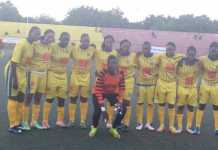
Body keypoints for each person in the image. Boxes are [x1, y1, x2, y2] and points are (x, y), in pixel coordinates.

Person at [7, 26, 41, 133]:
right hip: (13, 71)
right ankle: (12, 126)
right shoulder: (21, 44)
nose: (38, 36)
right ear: (30, 33)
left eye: (39, 34)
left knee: (21, 97)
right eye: (36, 33)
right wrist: (15, 80)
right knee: (13, 97)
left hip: (22, 72)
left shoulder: (33, 44)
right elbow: (13, 62)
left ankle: (18, 123)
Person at [21, 29, 55, 130]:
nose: (50, 38)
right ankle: (24, 122)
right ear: (43, 36)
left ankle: (34, 121)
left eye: (52, 37)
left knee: (38, 98)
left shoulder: (50, 47)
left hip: (44, 75)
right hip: (33, 73)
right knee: (29, 97)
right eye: (48, 36)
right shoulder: (35, 44)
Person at [89, 55, 126, 139]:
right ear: (108, 64)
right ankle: (94, 127)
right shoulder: (103, 72)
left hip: (111, 93)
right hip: (99, 93)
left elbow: (122, 88)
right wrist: (103, 108)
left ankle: (113, 128)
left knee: (122, 109)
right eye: (112, 63)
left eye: (115, 63)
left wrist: (120, 101)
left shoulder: (120, 73)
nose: (114, 65)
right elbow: (98, 89)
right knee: (98, 111)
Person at [42, 32, 72, 128]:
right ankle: (45, 121)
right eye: (64, 39)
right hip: (52, 74)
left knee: (62, 99)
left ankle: (59, 121)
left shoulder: (69, 48)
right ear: (59, 38)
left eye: (67, 39)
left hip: (63, 76)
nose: (66, 41)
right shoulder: (53, 47)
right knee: (49, 98)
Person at [68, 33, 95, 128]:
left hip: (86, 77)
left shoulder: (92, 50)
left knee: (84, 99)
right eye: (84, 40)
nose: (86, 42)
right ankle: (71, 120)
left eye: (87, 41)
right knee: (73, 98)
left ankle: (83, 121)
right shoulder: (74, 50)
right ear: (80, 41)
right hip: (75, 77)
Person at [156, 42, 183, 133]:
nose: (169, 51)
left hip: (172, 84)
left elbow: (188, 57)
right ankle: (161, 125)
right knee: (161, 104)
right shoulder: (160, 56)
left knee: (171, 104)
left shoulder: (179, 57)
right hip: (161, 82)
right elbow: (152, 60)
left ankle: (171, 126)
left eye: (171, 49)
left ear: (174, 50)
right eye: (167, 49)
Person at [194, 42, 218, 135]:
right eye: (212, 48)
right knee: (201, 106)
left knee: (216, 107)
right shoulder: (202, 59)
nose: (214, 49)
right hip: (204, 85)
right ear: (209, 49)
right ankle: (197, 127)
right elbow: (196, 67)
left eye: (216, 48)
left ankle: (217, 128)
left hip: (216, 86)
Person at [95, 35, 117, 128]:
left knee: (111, 102)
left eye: (111, 42)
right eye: (107, 41)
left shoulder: (115, 53)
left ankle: (109, 121)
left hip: (111, 81)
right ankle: (98, 121)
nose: (109, 43)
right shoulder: (97, 52)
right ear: (104, 42)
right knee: (99, 103)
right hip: (100, 81)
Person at [135, 41, 159, 131]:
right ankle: (139, 122)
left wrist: (155, 75)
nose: (146, 50)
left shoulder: (156, 57)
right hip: (141, 84)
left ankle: (149, 123)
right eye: (144, 48)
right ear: (142, 49)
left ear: (150, 48)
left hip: (151, 85)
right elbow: (136, 69)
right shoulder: (138, 57)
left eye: (148, 48)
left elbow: (161, 66)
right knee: (140, 104)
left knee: (150, 104)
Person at [176, 46, 199, 134]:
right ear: (187, 54)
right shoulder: (181, 62)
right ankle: (179, 126)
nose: (191, 56)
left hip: (192, 89)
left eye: (192, 54)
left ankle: (188, 127)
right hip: (182, 88)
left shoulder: (198, 63)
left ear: (195, 55)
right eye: (189, 54)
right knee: (180, 107)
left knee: (191, 107)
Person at [117, 39, 136, 132]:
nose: (126, 48)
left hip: (128, 81)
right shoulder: (116, 55)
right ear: (120, 46)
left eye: (128, 46)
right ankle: (117, 121)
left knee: (126, 102)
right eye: (124, 46)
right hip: (117, 81)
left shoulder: (134, 56)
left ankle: (126, 123)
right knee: (117, 102)